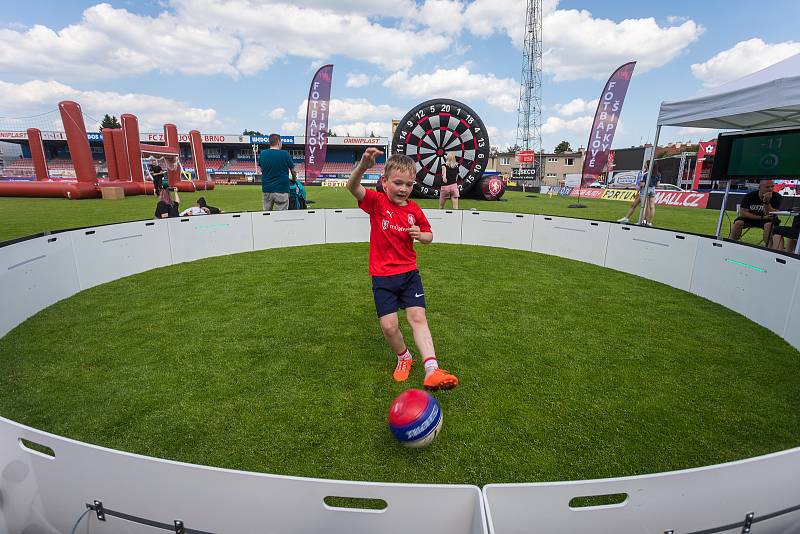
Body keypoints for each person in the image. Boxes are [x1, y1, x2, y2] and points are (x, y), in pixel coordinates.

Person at [346, 147, 458, 391]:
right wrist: (364, 166)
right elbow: (352, 187)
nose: (403, 189)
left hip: (409, 275)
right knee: (389, 327)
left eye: (409, 184)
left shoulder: (414, 210)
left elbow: (429, 235)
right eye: (398, 183)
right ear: (384, 183)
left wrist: (422, 235)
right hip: (382, 277)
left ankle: (432, 369)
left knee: (417, 318)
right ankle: (404, 356)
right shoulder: (376, 203)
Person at [258, 133, 297, 211]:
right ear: (279, 142)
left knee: (266, 214)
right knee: (281, 216)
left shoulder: (263, 154)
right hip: (282, 189)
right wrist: (294, 179)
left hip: (267, 189)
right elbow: (293, 170)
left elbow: (262, 169)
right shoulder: (285, 154)